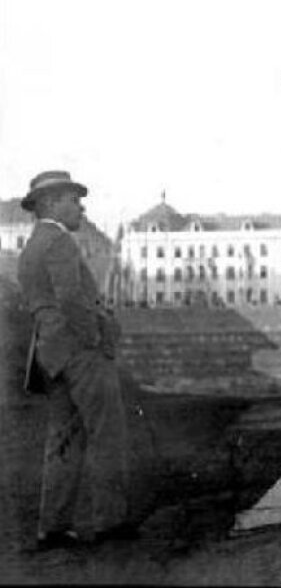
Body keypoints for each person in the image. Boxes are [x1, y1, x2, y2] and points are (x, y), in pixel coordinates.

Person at [16, 171, 137, 548]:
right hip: (80, 352)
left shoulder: (32, 246)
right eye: (73, 199)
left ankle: (52, 527)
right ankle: (111, 522)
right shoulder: (60, 242)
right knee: (107, 433)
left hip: (51, 354)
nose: (80, 206)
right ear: (50, 203)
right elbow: (71, 300)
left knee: (63, 440)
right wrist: (97, 338)